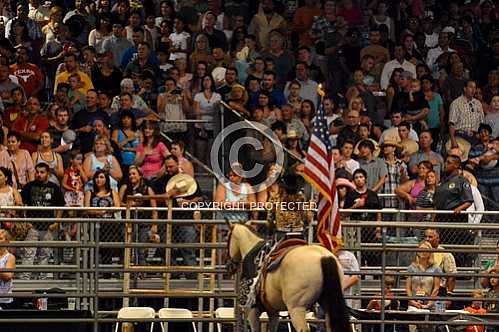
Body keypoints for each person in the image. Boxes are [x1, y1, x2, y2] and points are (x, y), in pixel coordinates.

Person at [21, 162, 64, 280]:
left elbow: (61, 206)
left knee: (45, 253)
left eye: (42, 172)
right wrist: (26, 221)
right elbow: (22, 205)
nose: (39, 174)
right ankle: (25, 279)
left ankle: (43, 279)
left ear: (48, 173)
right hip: (32, 226)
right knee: (29, 253)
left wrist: (56, 222)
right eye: (37, 172)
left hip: (48, 226)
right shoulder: (28, 186)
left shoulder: (54, 188)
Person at [434, 155, 475, 267]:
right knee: (442, 246)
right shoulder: (443, 181)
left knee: (456, 247)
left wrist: (459, 209)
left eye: (448, 162)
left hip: (455, 218)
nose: (445, 164)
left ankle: (460, 272)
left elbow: (468, 200)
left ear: (456, 165)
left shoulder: (462, 180)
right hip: (441, 218)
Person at [119, 165, 158, 266]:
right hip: (128, 222)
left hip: (144, 223)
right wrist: (129, 205)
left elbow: (154, 208)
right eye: (130, 174)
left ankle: (141, 271)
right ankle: (125, 271)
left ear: (140, 176)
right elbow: (118, 203)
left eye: (134, 174)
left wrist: (154, 224)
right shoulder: (125, 187)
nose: (131, 176)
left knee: (141, 249)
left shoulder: (147, 189)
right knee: (126, 247)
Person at [84, 169, 120, 265]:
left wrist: (105, 211)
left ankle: (106, 275)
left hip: (109, 226)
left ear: (106, 179)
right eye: (96, 177)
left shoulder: (112, 192)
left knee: (107, 250)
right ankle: (89, 274)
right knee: (93, 249)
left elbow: (117, 206)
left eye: (101, 177)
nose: (98, 180)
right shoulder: (89, 193)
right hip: (94, 226)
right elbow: (87, 209)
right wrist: (99, 212)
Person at [266, 173, 307, 241]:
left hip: (281, 234)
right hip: (298, 234)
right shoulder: (301, 198)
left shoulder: (275, 198)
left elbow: (270, 219)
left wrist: (270, 229)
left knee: (272, 250)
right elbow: (306, 217)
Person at [424, 228, 457, 309]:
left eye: (430, 237)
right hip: (423, 289)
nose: (427, 239)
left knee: (438, 316)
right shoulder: (421, 252)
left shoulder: (445, 254)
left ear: (438, 238)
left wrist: (449, 296)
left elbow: (451, 276)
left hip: (439, 290)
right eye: (426, 237)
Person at [111, 110, 139, 176]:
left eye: (128, 118)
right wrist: (128, 139)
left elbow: (141, 149)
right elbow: (114, 147)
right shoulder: (116, 131)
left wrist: (126, 149)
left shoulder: (138, 132)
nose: (126, 120)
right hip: (121, 163)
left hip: (135, 163)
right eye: (124, 118)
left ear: (132, 120)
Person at [0, 229, 15, 309]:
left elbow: (8, 276)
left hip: (4, 300)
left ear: (6, 241)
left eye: (0, 238)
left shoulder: (10, 257)